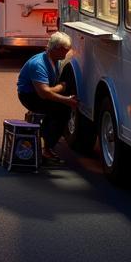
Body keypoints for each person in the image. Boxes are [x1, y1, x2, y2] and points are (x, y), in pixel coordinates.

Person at [16, 32, 78, 164]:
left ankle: (46, 136)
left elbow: (48, 90)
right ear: (55, 49)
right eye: (64, 50)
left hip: (41, 91)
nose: (66, 53)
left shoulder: (54, 60)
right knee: (62, 111)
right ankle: (47, 149)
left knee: (57, 105)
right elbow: (44, 94)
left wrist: (58, 88)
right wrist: (65, 97)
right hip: (29, 96)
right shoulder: (38, 64)